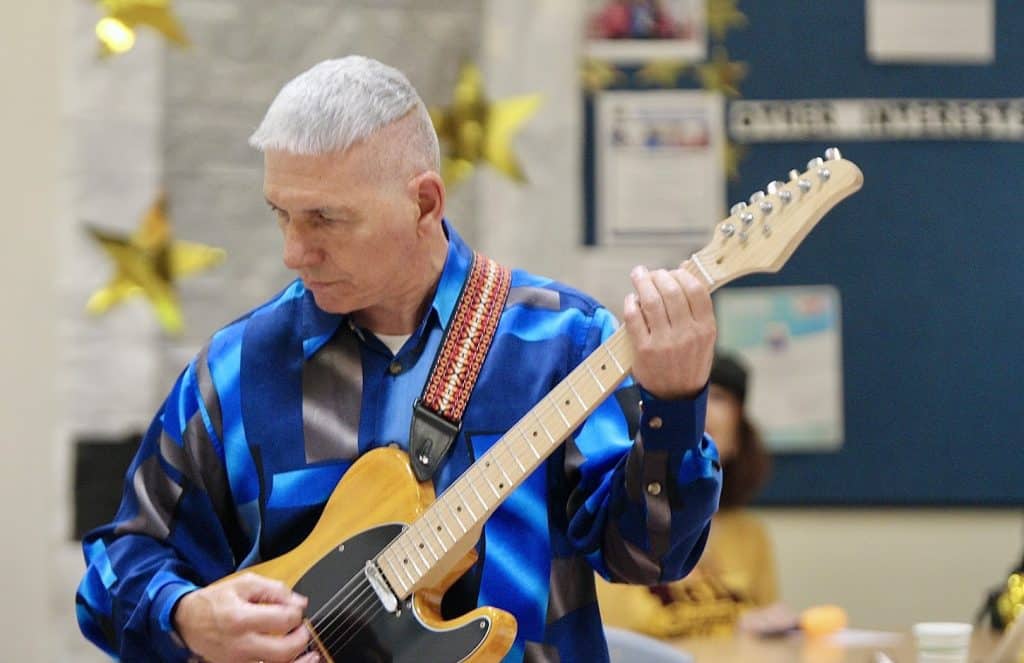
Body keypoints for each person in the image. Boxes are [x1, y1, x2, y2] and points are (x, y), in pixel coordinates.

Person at [75, 55, 722, 662]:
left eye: (325, 218)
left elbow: (650, 559)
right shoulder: (238, 369)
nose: (294, 253)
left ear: (425, 203)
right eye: (282, 215)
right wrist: (187, 614)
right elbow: (116, 569)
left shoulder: (565, 342)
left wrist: (674, 408)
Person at [596, 352, 778, 638]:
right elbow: (620, 635)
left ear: (737, 439)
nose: (700, 408)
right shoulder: (610, 525)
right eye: (683, 396)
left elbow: (768, 630)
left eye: (718, 397)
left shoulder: (750, 535)